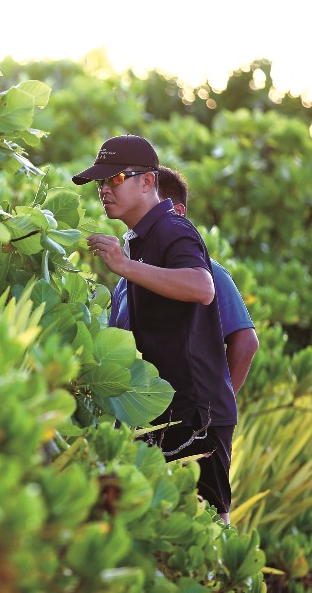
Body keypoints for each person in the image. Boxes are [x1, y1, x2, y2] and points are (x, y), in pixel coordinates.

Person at [73, 135, 237, 522]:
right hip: (161, 412)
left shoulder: (172, 228)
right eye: (100, 182)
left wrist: (124, 266)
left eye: (115, 179)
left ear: (148, 181)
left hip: (194, 418)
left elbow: (202, 287)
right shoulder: (144, 238)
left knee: (208, 532)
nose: (104, 190)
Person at [110, 166, 258, 393]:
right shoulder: (125, 282)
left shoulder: (211, 273)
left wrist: (219, 405)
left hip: (193, 411)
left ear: (177, 212)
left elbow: (246, 342)